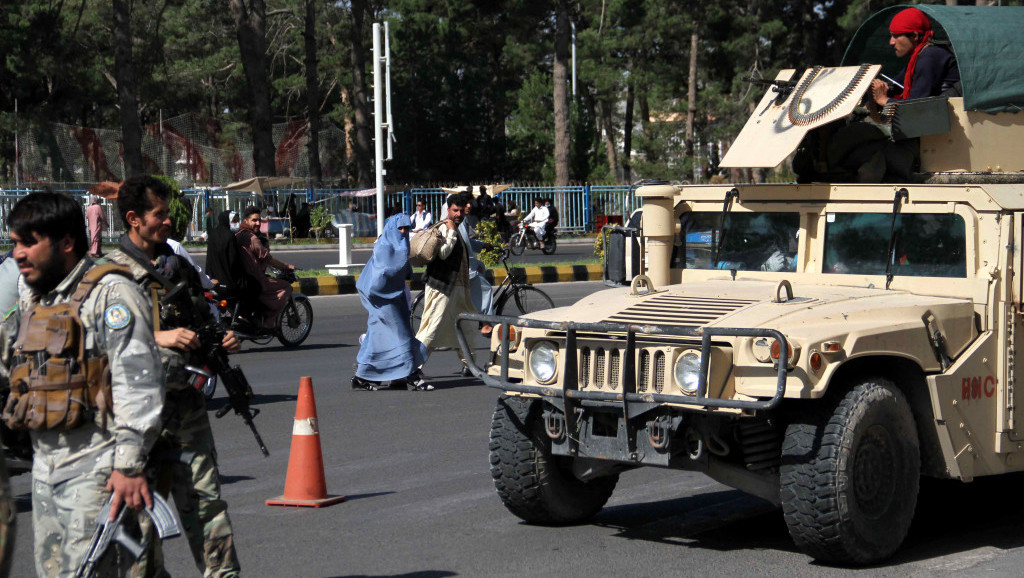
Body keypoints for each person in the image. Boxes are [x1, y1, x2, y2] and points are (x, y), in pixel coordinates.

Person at [0, 190, 165, 577]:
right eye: (15, 243)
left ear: (67, 243)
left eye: (29, 242)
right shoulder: (36, 298)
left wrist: (128, 464)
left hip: (96, 470)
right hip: (45, 469)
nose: (18, 254)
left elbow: (138, 382)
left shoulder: (111, 294)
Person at [106, 176, 242, 577]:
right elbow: (101, 344)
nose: (168, 222)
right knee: (139, 534)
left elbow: (203, 316)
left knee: (208, 512)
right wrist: (156, 335)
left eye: (167, 213)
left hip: (186, 411)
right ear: (133, 219)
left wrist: (221, 339)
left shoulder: (176, 262)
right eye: (158, 214)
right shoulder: (112, 275)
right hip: (137, 421)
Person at [351, 214, 428, 391]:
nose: (403, 232)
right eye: (400, 228)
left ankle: (362, 377)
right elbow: (382, 274)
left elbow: (404, 269)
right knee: (400, 335)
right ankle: (412, 375)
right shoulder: (384, 246)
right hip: (380, 297)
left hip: (396, 296)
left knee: (376, 337)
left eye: (407, 229)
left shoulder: (401, 244)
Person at [412, 193, 477, 390]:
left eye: (460, 210)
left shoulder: (458, 227)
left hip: (459, 288)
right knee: (432, 327)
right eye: (454, 210)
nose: (458, 214)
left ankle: (470, 365)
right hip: (441, 287)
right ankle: (413, 366)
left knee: (466, 326)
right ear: (448, 210)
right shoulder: (444, 227)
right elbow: (443, 253)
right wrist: (450, 232)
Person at [870, 7, 960, 108]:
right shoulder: (918, 56)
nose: (891, 42)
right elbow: (896, 84)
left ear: (914, 36)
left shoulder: (930, 56)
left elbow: (916, 105)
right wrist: (878, 91)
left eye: (895, 36)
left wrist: (883, 100)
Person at [236, 206, 296, 329]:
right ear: (246, 221)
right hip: (256, 280)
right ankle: (268, 321)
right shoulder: (252, 238)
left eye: (259, 220)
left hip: (241, 277)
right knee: (286, 287)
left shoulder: (238, 234)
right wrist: (287, 266)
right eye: (254, 220)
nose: (258, 223)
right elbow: (268, 259)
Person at [206, 210, 253, 301]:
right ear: (226, 221)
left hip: (213, 281)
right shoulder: (230, 236)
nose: (237, 224)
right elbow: (234, 262)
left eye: (237, 221)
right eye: (234, 221)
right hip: (229, 283)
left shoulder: (213, 235)